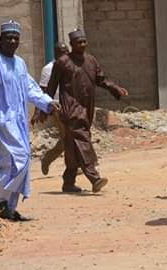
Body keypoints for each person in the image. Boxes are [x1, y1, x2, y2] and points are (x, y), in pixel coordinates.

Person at [46, 29, 128, 193]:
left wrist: (115, 89)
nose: (82, 45)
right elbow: (51, 86)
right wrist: (43, 107)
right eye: (78, 42)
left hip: (87, 106)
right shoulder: (62, 62)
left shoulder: (91, 60)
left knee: (72, 143)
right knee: (82, 138)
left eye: (84, 41)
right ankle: (94, 177)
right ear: (72, 44)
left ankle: (68, 181)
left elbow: (101, 79)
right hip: (70, 107)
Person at [0, 21, 59, 221]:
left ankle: (7, 209)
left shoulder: (20, 63)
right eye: (8, 38)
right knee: (15, 161)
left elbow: (30, 88)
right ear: (0, 39)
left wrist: (48, 102)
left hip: (18, 122)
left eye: (15, 38)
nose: (12, 41)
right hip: (1, 121)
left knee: (20, 163)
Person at [36, 42, 69, 175]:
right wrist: (39, 110)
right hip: (57, 106)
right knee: (68, 136)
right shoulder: (48, 68)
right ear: (56, 54)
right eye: (62, 52)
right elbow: (42, 91)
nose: (65, 54)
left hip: (72, 105)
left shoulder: (71, 65)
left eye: (67, 51)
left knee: (69, 137)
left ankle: (48, 158)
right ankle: (73, 165)